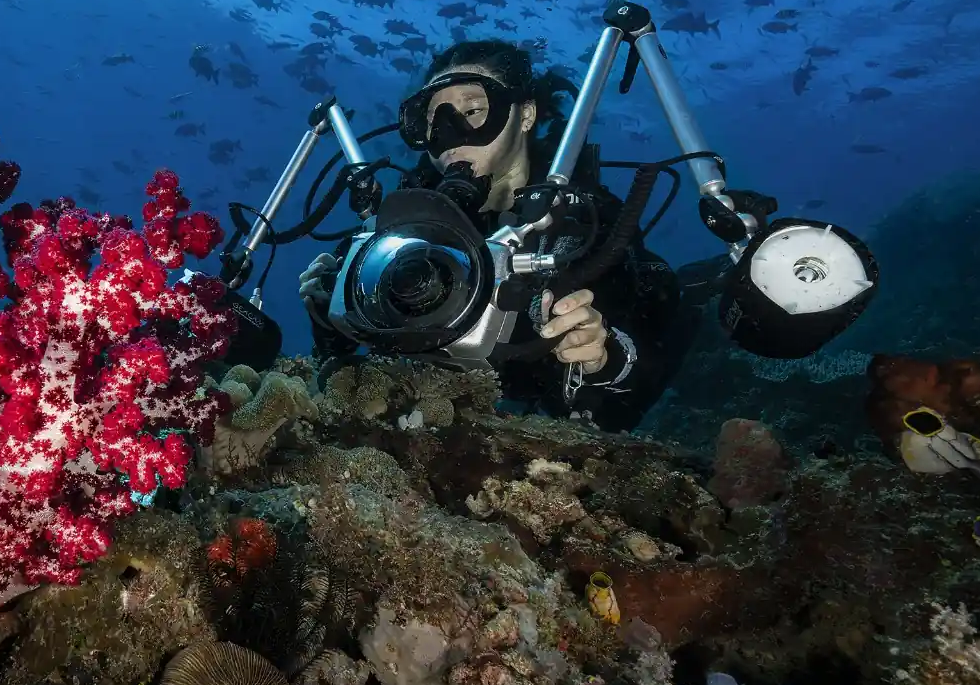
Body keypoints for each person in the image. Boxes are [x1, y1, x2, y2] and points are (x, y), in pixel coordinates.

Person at [297, 38, 697, 432]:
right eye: (434, 121)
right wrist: (330, 320)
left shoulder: (584, 223)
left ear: (525, 116)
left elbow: (632, 389)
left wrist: (602, 355)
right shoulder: (405, 229)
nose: (450, 135)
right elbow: (360, 360)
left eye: (473, 110)